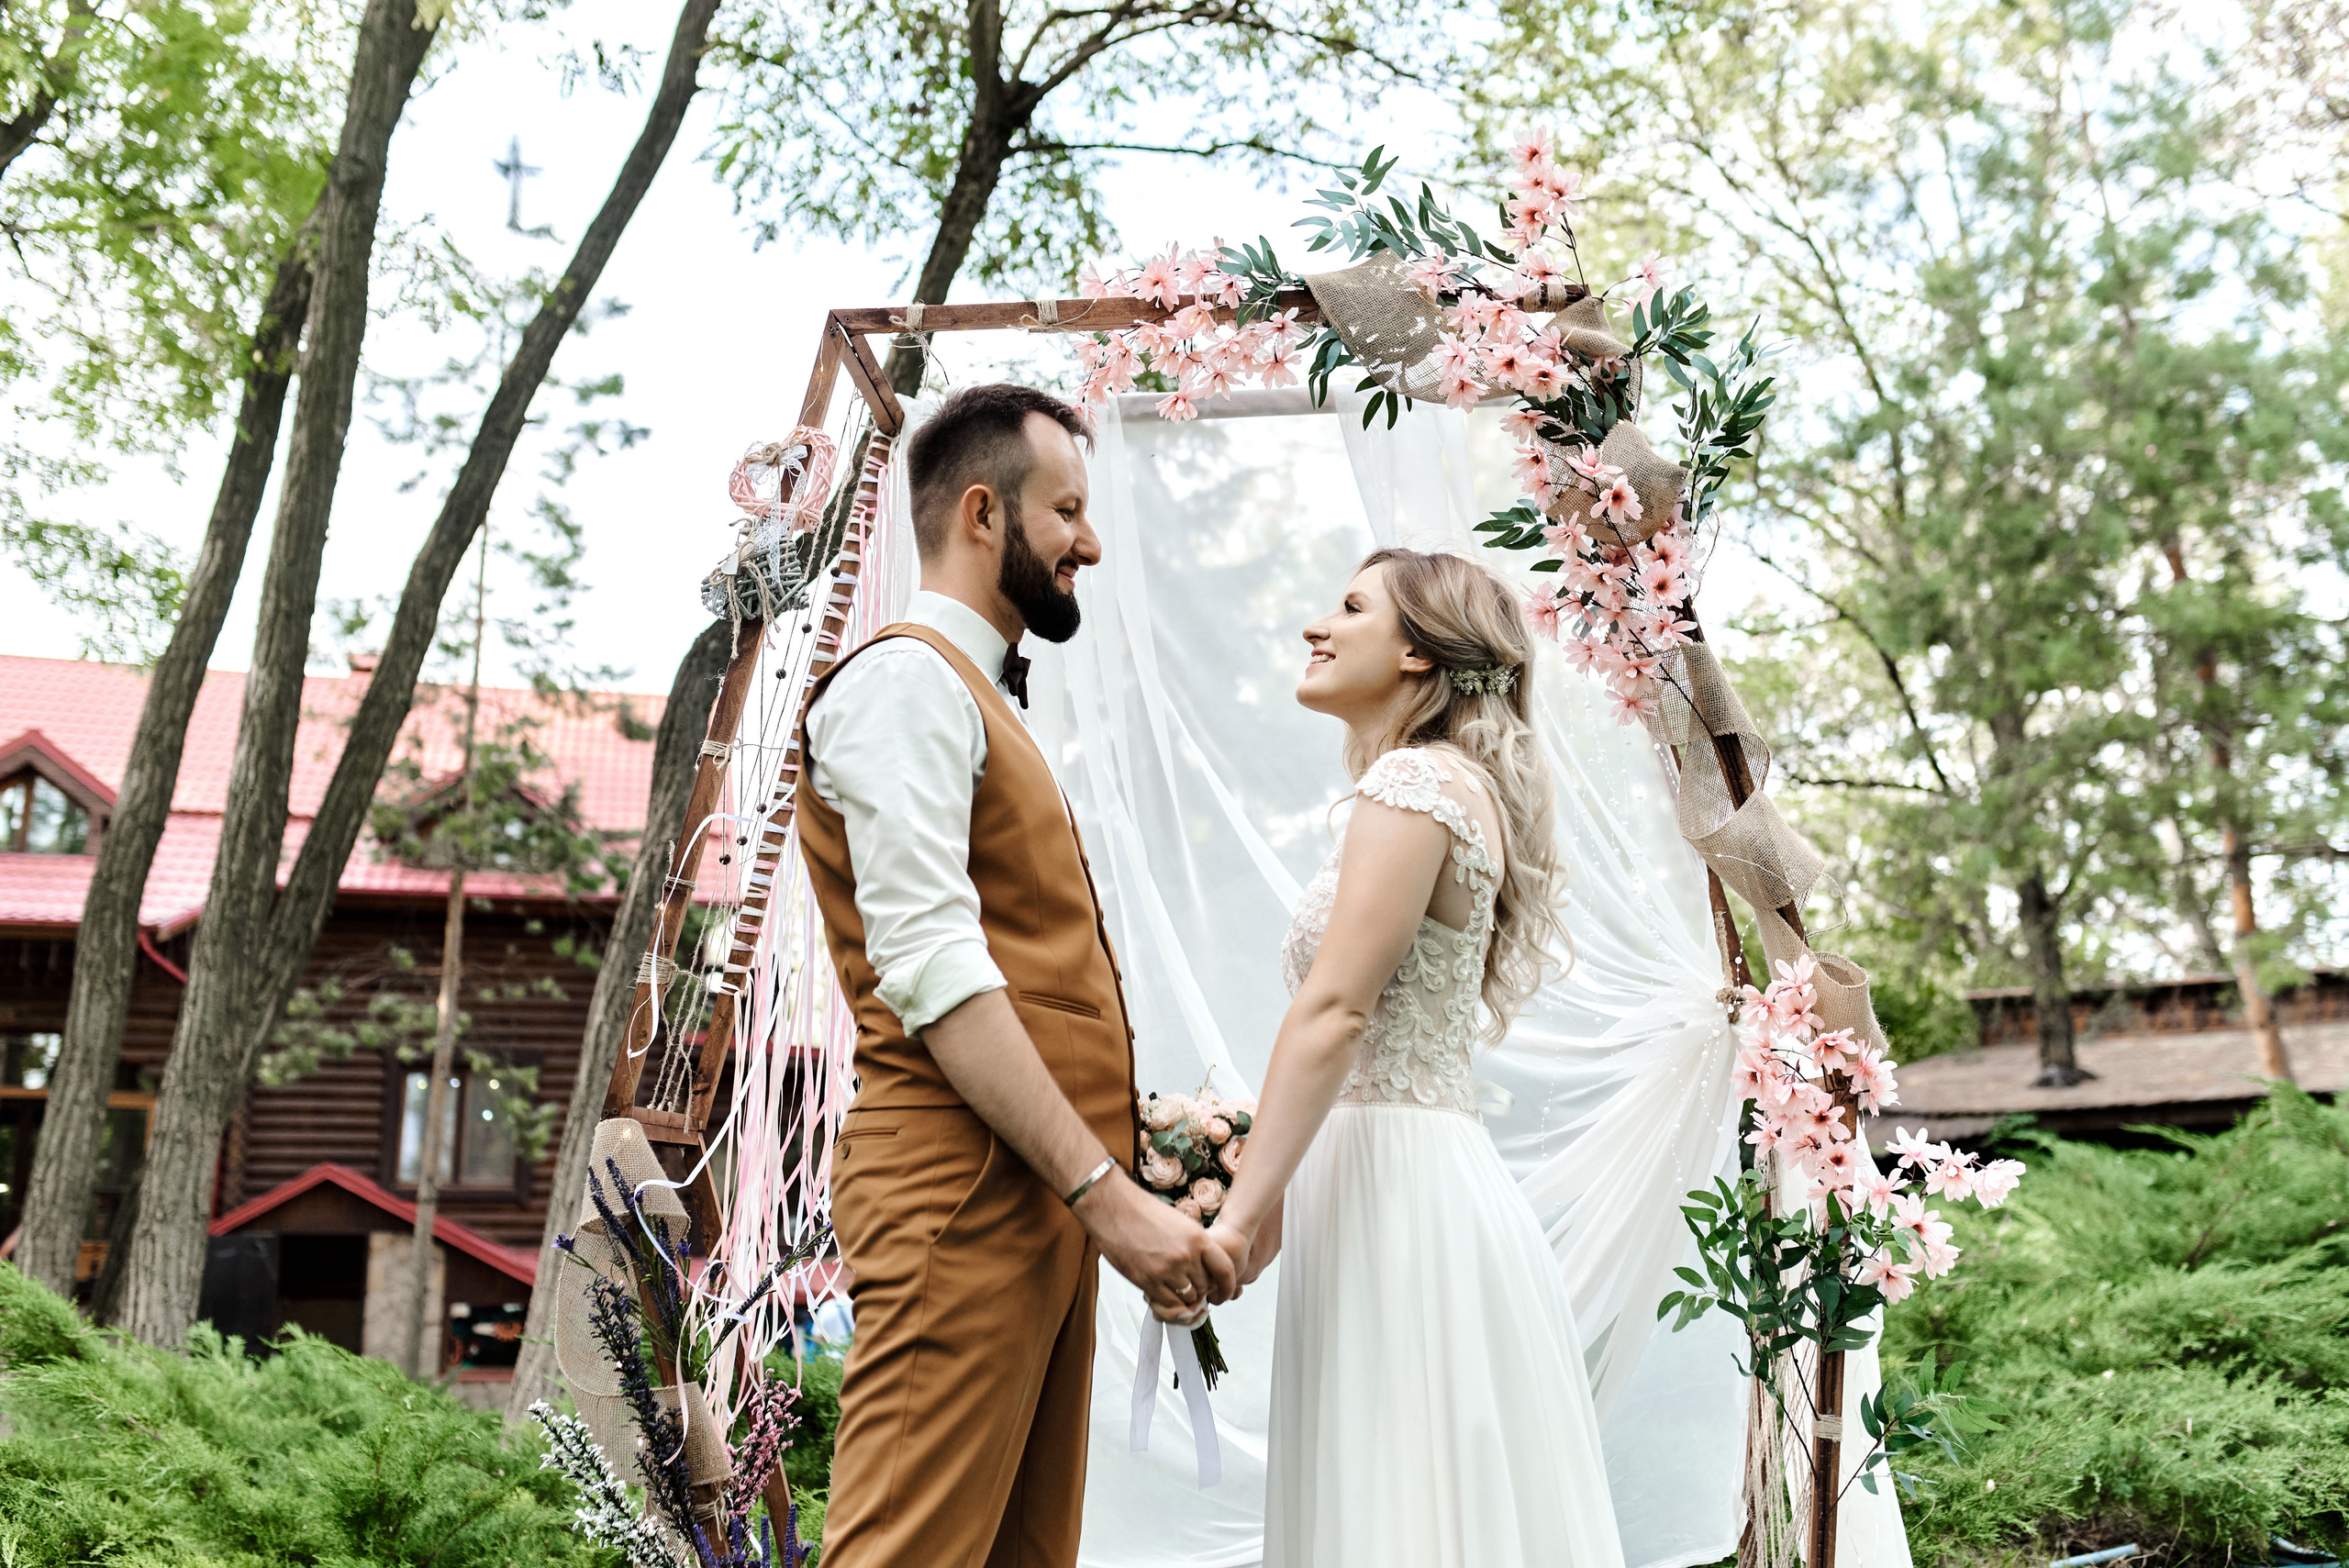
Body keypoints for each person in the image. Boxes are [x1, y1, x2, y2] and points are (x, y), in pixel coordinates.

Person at [794, 383, 1237, 1568]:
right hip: (959, 1197)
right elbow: (934, 971)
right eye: (1069, 509)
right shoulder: (903, 685)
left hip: (1030, 1200)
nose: (1089, 542)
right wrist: (1109, 1195)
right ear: (983, 513)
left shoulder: (976, 695)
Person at [1205, 547, 1627, 1568]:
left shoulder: (1413, 780)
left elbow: (1337, 1011)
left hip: (1398, 1200)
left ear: (1413, 651)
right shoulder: (1456, 782)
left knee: (1394, 1507)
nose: (1317, 624)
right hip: (1415, 1177)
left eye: (1348, 606)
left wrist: (1236, 1217)